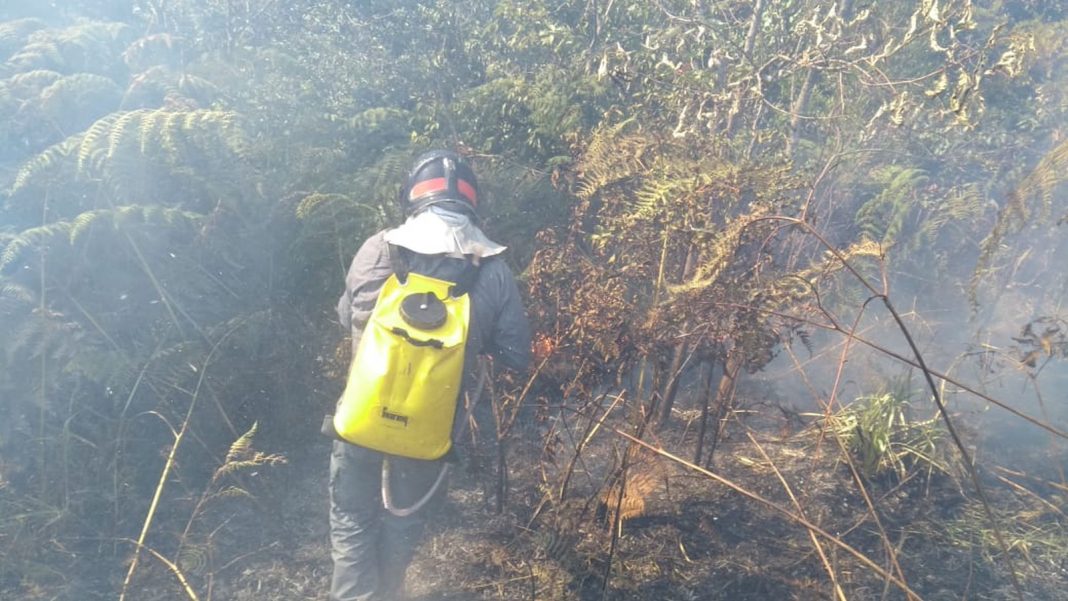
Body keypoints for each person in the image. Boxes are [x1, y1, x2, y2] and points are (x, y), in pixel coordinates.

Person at [328, 150, 532, 601]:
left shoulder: (376, 248)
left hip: (359, 419)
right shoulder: (493, 269)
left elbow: (348, 317)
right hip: (429, 431)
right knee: (402, 525)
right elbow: (518, 356)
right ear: (472, 203)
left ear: (412, 196)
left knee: (351, 526)